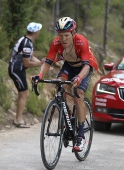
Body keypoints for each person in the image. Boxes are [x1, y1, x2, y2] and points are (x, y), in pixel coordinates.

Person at [34, 17, 98, 151]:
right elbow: (48, 62)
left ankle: (81, 136)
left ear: (73, 33)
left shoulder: (81, 41)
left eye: (66, 35)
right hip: (69, 65)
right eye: (60, 35)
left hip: (85, 67)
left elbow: (86, 67)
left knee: (78, 94)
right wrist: (39, 76)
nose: (63, 39)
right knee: (60, 84)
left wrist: (79, 78)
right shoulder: (56, 42)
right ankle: (67, 114)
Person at [8, 22, 44, 128]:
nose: (39, 33)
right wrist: (40, 63)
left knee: (22, 94)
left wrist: (44, 64)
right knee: (24, 94)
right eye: (39, 31)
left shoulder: (26, 41)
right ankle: (18, 120)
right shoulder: (27, 44)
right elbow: (27, 63)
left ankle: (18, 118)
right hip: (16, 70)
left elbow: (31, 57)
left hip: (19, 70)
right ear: (36, 32)